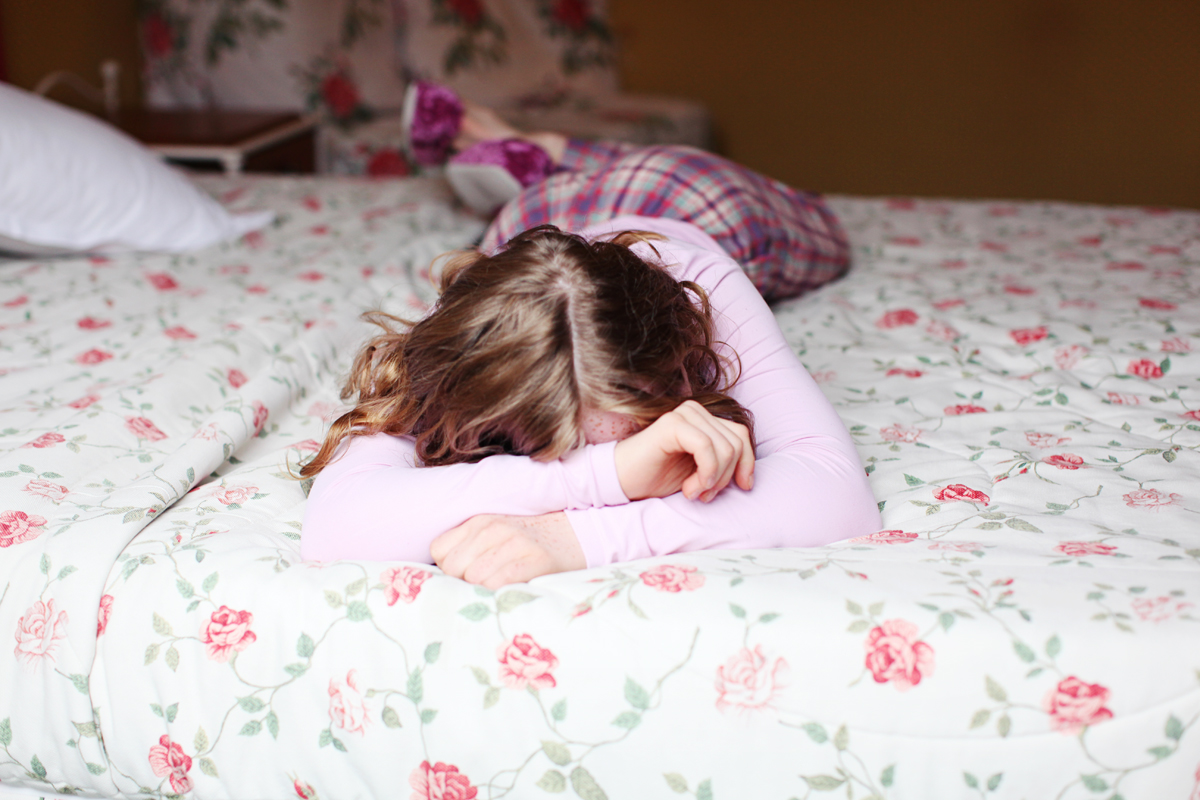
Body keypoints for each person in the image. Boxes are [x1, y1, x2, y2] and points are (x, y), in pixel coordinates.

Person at [299, 83, 881, 587]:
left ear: (679, 368)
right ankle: (534, 159)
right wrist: (616, 474)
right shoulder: (481, 328)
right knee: (535, 210)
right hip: (532, 223)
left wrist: (578, 538)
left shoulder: (708, 288)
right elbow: (339, 523)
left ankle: (549, 151)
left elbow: (836, 498)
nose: (604, 456)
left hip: (697, 201)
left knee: (822, 230)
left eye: (618, 440)